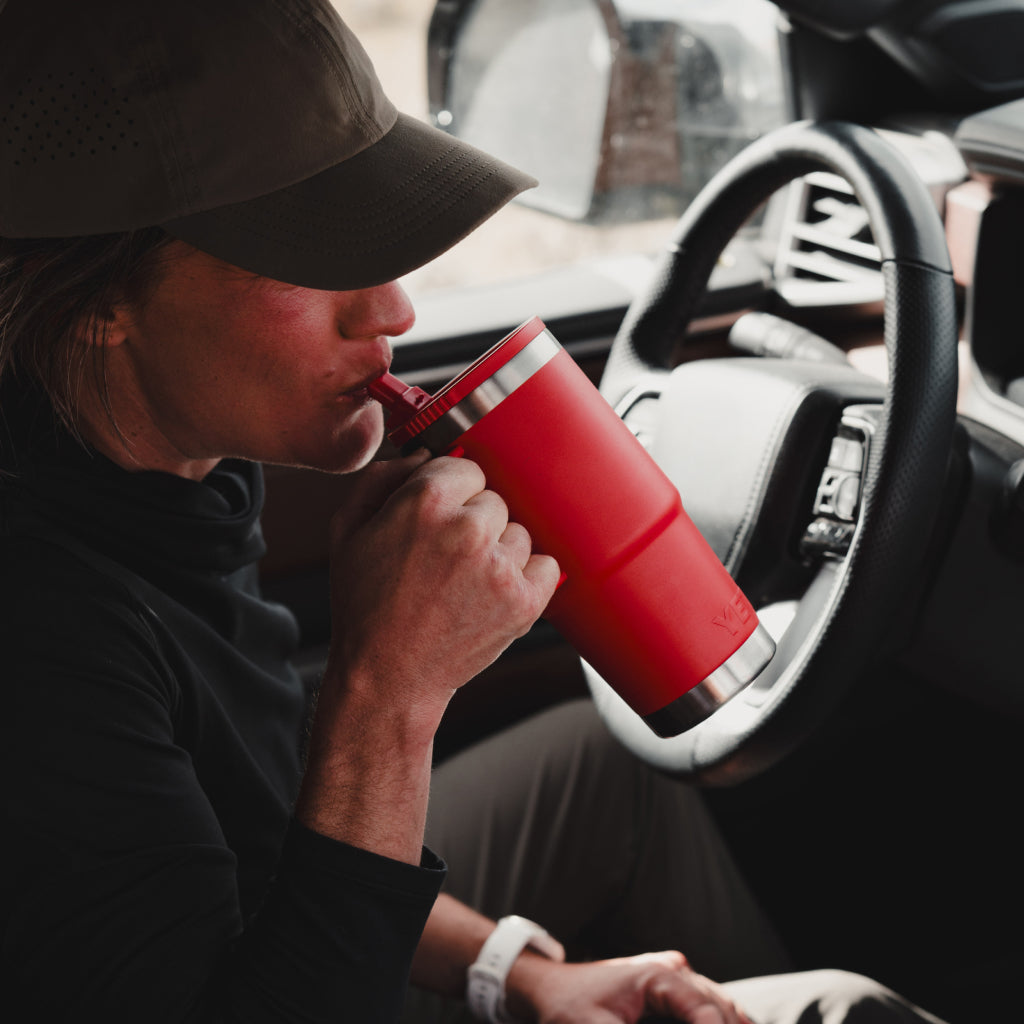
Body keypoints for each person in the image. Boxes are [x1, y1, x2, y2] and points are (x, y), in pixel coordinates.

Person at [0, 2, 948, 1022]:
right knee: (845, 1006)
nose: (394, 310)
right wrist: (389, 695)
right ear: (96, 296)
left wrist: (518, 971)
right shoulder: (44, 634)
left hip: (272, 930)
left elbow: (249, 828)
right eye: (310, 253)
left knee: (608, 767)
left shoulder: (166, 463)